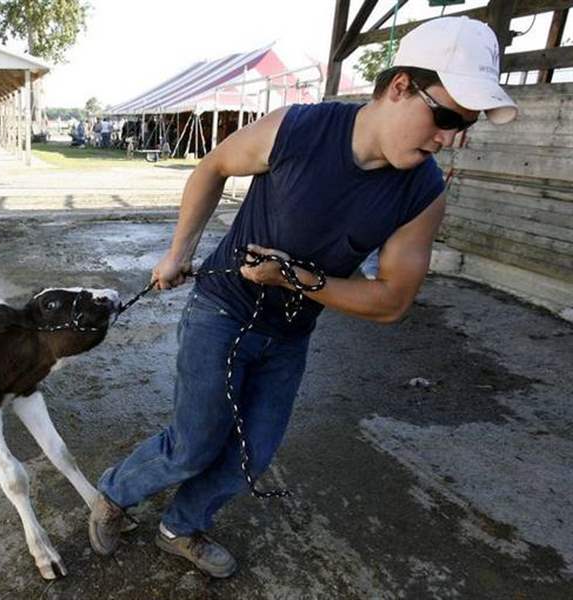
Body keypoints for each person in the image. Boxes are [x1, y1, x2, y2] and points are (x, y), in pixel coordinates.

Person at [88, 16, 518, 578]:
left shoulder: (424, 190)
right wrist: (178, 250)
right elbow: (214, 165)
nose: (452, 137)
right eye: (447, 117)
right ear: (400, 86)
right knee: (195, 445)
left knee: (252, 457)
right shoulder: (299, 129)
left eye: (467, 125)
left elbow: (391, 301)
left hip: (290, 334)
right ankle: (115, 494)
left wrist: (296, 279)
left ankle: (181, 526)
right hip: (221, 311)